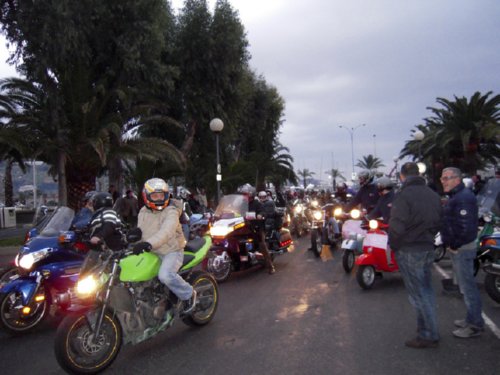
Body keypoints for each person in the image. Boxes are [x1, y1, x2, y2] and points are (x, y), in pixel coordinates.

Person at [388, 162, 442, 349]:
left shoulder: (403, 195)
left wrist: (394, 246)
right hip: (427, 247)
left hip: (410, 250)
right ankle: (430, 331)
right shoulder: (433, 194)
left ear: (402, 176)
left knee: (418, 295)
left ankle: (428, 334)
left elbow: (396, 226)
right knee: (426, 291)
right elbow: (438, 221)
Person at [132, 178, 197, 313]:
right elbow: (142, 230)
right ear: (146, 196)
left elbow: (166, 232)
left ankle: (188, 294)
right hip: (152, 250)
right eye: (155, 196)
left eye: (161, 195)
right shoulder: (143, 211)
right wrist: (133, 236)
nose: (159, 199)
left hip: (171, 250)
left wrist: (148, 243)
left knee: (165, 275)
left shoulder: (171, 211)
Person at [440, 167, 484, 338]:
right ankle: (471, 318)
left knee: (469, 288)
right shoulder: (457, 196)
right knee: (465, 287)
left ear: (457, 179)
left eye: (446, 178)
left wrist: (455, 244)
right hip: (459, 247)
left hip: (463, 249)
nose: (443, 181)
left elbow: (465, 228)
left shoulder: (463, 198)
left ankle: (475, 325)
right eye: (442, 178)